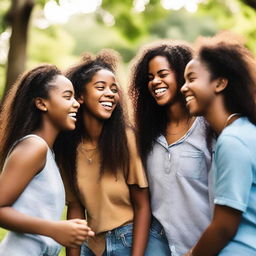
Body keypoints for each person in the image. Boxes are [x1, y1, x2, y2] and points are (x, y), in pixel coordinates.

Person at [54, 49, 171, 256]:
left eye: (114, 89)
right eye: (101, 87)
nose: (110, 93)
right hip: (92, 244)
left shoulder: (125, 139)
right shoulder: (67, 147)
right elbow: (75, 209)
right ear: (80, 96)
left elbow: (142, 206)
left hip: (132, 238)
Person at [129, 40, 214, 256]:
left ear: (183, 76)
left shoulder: (208, 129)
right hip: (158, 245)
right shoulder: (146, 135)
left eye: (162, 74)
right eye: (150, 77)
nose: (155, 81)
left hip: (203, 246)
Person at [0, 64, 94, 256]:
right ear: (42, 103)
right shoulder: (34, 147)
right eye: (67, 97)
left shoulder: (47, 153)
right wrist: (54, 229)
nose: (76, 103)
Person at [181, 32, 256, 256]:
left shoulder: (233, 140)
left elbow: (224, 226)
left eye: (192, 79)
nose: (184, 88)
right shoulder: (246, 131)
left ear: (220, 83)